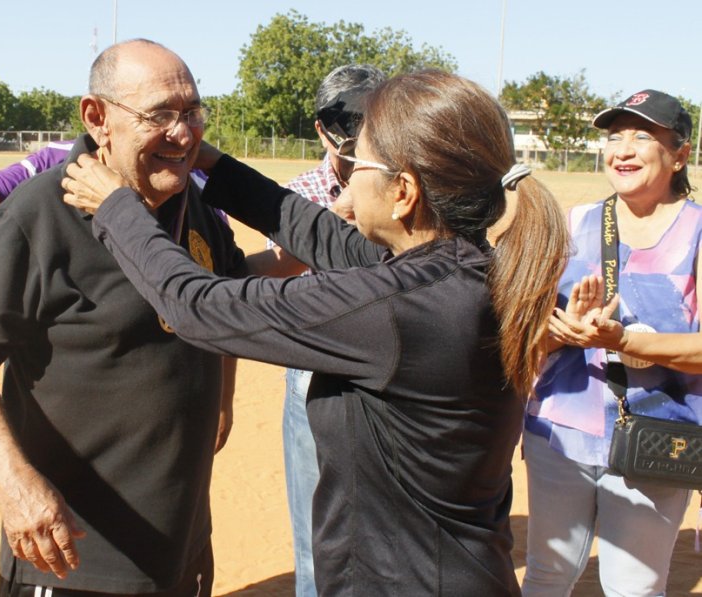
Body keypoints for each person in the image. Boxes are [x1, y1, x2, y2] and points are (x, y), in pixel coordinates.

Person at [62, 69, 570, 595]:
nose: (347, 180)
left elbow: (200, 307)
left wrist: (116, 207)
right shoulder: (462, 268)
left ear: (403, 191)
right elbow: (319, 234)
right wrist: (203, 159)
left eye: (359, 164)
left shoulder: (399, 309)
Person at [0, 39, 249, 596]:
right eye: (159, 115)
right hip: (75, 556)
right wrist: (15, 486)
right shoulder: (38, 215)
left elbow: (223, 292)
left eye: (192, 113)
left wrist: (223, 397)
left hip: (179, 545)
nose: (183, 135)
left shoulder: (194, 206)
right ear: (97, 117)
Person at [522, 89, 701, 596]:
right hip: (559, 432)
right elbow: (526, 338)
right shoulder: (574, 223)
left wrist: (621, 339)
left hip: (657, 440)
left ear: (680, 153)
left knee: (634, 588)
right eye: (614, 136)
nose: (622, 148)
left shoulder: (697, 231)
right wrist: (560, 330)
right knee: (547, 575)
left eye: (643, 136)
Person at [247, 63, 385, 597]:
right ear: (323, 129)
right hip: (314, 372)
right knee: (315, 533)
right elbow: (276, 268)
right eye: (347, 120)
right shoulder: (299, 192)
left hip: (392, 372)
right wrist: (332, 221)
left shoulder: (413, 182)